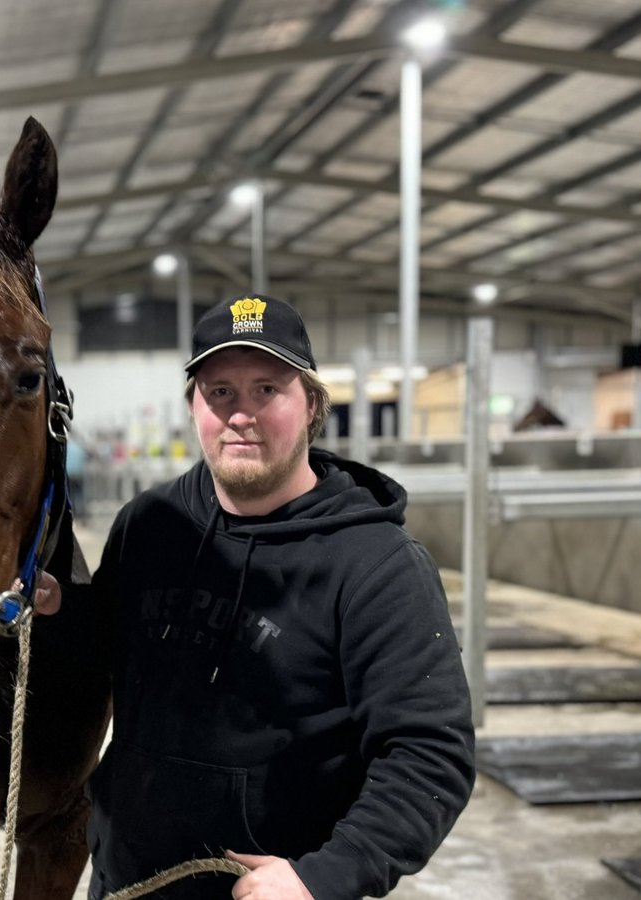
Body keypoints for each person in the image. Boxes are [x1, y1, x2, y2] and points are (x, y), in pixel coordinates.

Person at [41, 294, 475, 900]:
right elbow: (107, 653)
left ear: (313, 405)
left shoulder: (376, 565)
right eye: (220, 392)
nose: (241, 414)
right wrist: (58, 611)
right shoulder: (150, 524)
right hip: (126, 879)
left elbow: (430, 753)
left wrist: (324, 876)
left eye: (267, 390)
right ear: (193, 406)